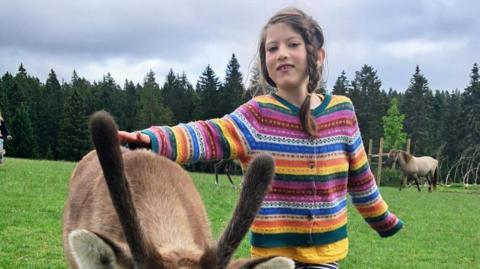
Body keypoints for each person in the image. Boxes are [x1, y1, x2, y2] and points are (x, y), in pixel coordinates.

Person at [119, 7, 403, 269]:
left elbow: (361, 177)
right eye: (272, 48)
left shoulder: (342, 111)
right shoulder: (257, 116)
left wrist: (383, 220)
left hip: (325, 256)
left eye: (292, 44)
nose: (281, 53)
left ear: (317, 55)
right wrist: (154, 140)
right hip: (271, 260)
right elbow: (209, 134)